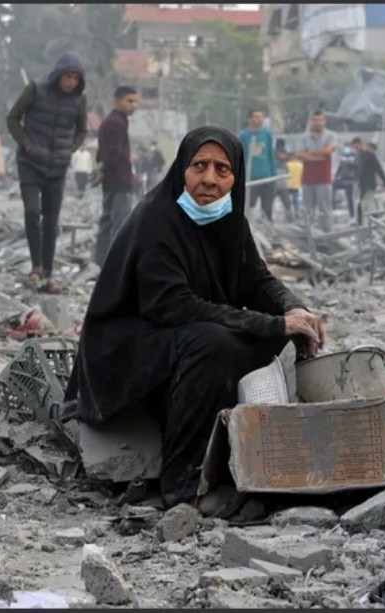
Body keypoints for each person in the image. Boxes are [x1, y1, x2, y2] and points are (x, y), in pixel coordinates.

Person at [63, 126, 325, 510]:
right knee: (214, 343)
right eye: (199, 166)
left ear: (235, 176)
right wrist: (270, 324)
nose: (210, 179)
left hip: (177, 339)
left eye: (222, 169)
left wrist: (293, 309)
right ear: (182, 169)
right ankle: (182, 484)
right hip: (125, 352)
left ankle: (231, 457)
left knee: (268, 335)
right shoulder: (157, 219)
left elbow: (255, 278)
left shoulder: (230, 220)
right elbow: (174, 306)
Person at [6, 51, 89, 293]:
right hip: (30, 163)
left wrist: (70, 149)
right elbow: (12, 119)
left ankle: (48, 273)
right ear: (58, 75)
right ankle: (36, 266)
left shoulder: (79, 100)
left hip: (57, 168)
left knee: (51, 222)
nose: (71, 82)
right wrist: (26, 143)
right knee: (32, 212)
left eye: (75, 78)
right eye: (68, 76)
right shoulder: (35, 90)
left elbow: (82, 130)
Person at [95, 85, 138, 267]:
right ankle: (114, 264)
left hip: (111, 179)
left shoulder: (111, 121)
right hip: (120, 178)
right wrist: (104, 167)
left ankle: (102, 260)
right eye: (129, 101)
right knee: (120, 223)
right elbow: (113, 152)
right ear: (117, 101)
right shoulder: (117, 122)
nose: (134, 105)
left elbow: (102, 151)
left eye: (135, 102)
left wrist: (101, 170)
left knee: (107, 220)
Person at [295, 110, 339, 232]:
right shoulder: (303, 137)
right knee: (308, 211)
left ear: (324, 121)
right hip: (307, 179)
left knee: (325, 210)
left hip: (324, 179)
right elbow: (298, 154)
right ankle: (308, 236)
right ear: (311, 121)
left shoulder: (331, 136)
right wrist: (318, 155)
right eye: (315, 120)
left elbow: (328, 151)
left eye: (320, 120)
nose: (318, 122)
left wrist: (309, 154)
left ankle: (328, 236)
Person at [237, 109, 278, 222]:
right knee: (248, 206)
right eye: (257, 117)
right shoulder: (243, 136)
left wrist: (274, 175)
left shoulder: (267, 134)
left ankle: (268, 226)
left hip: (267, 177)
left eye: (261, 117)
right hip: (251, 177)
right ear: (250, 119)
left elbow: (271, 155)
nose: (260, 119)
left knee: (267, 209)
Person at [353, 137, 385, 224]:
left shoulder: (369, 155)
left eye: (357, 146)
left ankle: (372, 223)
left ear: (361, 144)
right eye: (355, 147)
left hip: (369, 184)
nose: (356, 149)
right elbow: (358, 170)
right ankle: (361, 223)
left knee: (368, 204)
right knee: (363, 204)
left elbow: (378, 168)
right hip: (361, 184)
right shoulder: (358, 156)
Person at [333, 140, 358, 219]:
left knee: (349, 197)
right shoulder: (343, 156)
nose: (345, 148)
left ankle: (352, 215)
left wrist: (351, 163)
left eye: (347, 146)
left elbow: (357, 166)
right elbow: (340, 167)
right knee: (332, 187)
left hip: (350, 180)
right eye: (344, 147)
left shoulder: (354, 155)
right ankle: (333, 208)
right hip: (342, 178)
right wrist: (336, 177)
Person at [274, 140, 293, 219]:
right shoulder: (277, 157)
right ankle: (289, 216)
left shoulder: (284, 161)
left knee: (287, 203)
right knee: (286, 203)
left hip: (281, 184)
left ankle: (289, 216)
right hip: (277, 184)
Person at [284, 147, 303, 217]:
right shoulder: (301, 165)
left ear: (289, 157)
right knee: (296, 201)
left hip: (287, 185)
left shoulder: (286, 164)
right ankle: (296, 213)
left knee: (287, 201)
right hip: (296, 185)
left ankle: (288, 214)